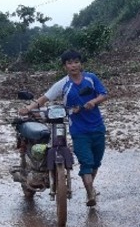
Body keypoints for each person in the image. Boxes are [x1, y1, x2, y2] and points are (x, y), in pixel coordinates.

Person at [20, 49, 109, 207]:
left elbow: (103, 93)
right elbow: (45, 98)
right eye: (69, 63)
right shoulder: (63, 84)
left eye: (76, 62)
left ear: (81, 64)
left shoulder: (91, 78)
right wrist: (29, 109)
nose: (73, 65)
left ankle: (90, 187)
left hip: (97, 127)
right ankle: (90, 194)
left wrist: (93, 102)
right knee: (86, 163)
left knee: (96, 163)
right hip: (78, 130)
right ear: (65, 66)